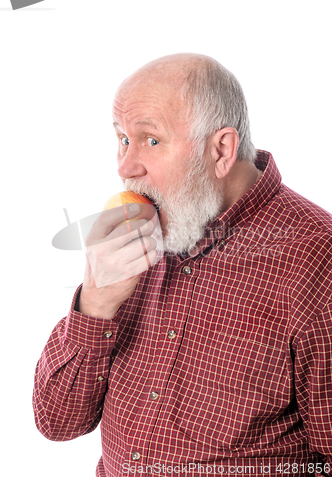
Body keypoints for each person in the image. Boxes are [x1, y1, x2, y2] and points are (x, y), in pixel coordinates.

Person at [33, 53, 332, 477]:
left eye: (150, 140)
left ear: (221, 150)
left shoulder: (317, 259)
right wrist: (95, 303)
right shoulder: (137, 238)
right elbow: (57, 422)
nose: (125, 167)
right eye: (122, 139)